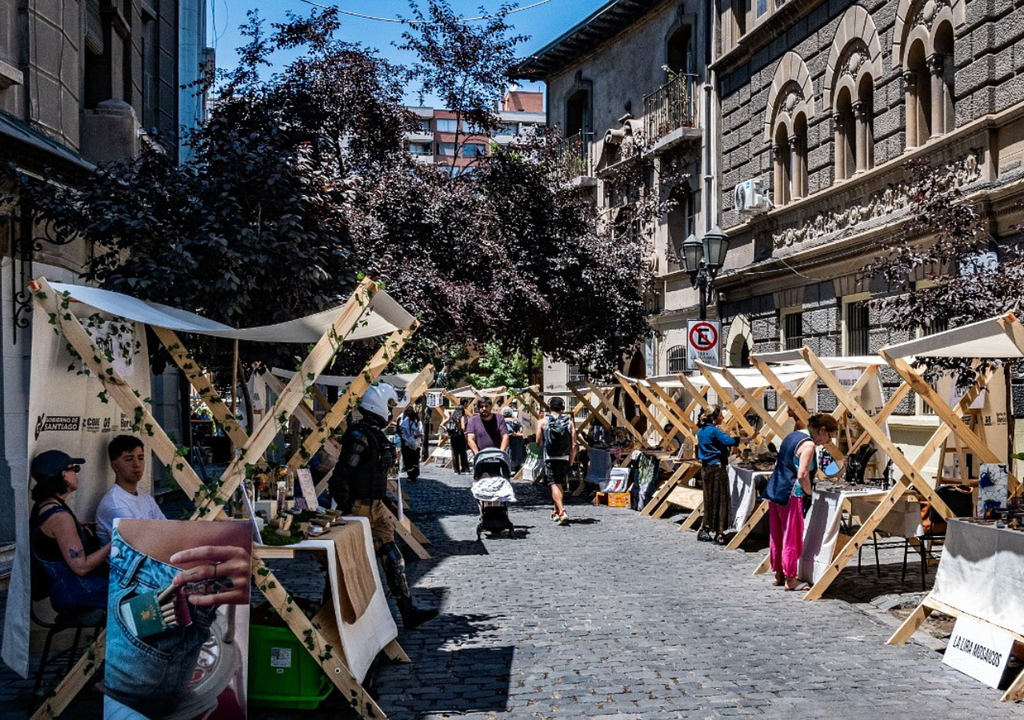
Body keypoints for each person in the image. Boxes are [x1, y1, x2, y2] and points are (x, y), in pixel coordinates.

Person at [329, 383, 438, 629]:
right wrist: (348, 506)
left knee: (392, 556)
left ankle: (407, 611)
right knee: (350, 561)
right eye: (388, 405)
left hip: (375, 506)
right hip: (360, 507)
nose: (390, 411)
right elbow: (342, 474)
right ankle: (336, 612)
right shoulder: (359, 435)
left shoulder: (373, 433)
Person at [29, 450, 110, 618]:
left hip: (67, 591)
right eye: (75, 469)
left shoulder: (45, 505)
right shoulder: (60, 518)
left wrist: (77, 529)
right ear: (64, 475)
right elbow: (81, 567)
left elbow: (51, 540)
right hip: (78, 592)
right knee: (137, 597)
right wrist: (115, 542)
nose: (76, 474)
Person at [765, 413, 839, 591]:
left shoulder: (792, 435)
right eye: (829, 436)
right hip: (791, 493)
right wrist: (809, 492)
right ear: (822, 430)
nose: (827, 441)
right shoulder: (808, 444)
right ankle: (791, 579)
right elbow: (802, 474)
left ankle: (779, 573)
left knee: (777, 534)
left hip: (775, 489)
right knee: (792, 535)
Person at [96, 434, 166, 545]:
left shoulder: (145, 497)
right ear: (115, 466)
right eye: (129, 459)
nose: (137, 464)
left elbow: (165, 528)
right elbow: (138, 543)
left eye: (141, 458)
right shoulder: (116, 504)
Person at [696, 407, 750, 545]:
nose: (723, 418)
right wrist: (749, 438)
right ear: (713, 417)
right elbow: (729, 441)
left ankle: (706, 527)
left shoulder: (701, 431)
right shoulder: (714, 431)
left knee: (709, 500)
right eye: (721, 415)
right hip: (717, 469)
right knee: (721, 500)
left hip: (706, 469)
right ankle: (719, 532)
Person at [535, 397, 577, 525]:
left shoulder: (543, 421)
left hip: (550, 457)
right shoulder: (569, 423)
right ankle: (556, 511)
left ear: (549, 407)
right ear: (562, 408)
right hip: (564, 457)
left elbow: (538, 442)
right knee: (559, 484)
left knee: (554, 484)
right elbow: (574, 444)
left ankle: (562, 511)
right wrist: (571, 459)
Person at [399, 406, 424, 481]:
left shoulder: (417, 422)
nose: (408, 412)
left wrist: (416, 437)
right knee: (407, 459)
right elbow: (400, 429)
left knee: (414, 459)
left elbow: (421, 432)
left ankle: (414, 475)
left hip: (415, 443)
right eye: (407, 411)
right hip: (406, 443)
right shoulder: (404, 420)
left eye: (410, 411)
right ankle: (410, 474)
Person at [447, 398, 470, 474]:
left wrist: (450, 430)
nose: (468, 405)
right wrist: (465, 432)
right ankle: (465, 468)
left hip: (453, 435)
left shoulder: (453, 414)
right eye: (468, 403)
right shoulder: (461, 413)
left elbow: (443, 424)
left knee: (455, 453)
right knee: (463, 452)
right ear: (465, 403)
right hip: (460, 435)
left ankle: (456, 470)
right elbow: (463, 426)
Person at [503, 406, 526, 471]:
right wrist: (520, 433)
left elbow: (510, 431)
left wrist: (516, 434)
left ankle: (510, 470)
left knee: (510, 456)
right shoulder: (515, 420)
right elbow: (521, 427)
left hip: (510, 442)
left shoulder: (504, 421)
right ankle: (517, 469)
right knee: (518, 455)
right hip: (518, 441)